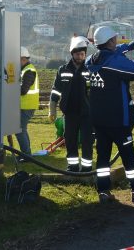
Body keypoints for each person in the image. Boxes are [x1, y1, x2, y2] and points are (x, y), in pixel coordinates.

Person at [85, 26, 134, 203]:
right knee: (128, 155)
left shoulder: (90, 61)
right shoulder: (114, 63)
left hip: (99, 120)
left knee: (102, 156)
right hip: (118, 119)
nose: (117, 41)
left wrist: (129, 46)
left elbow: (110, 54)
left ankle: (103, 191)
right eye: (115, 39)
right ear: (110, 41)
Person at [49, 36, 93, 172]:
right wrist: (52, 109)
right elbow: (56, 91)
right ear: (72, 54)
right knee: (70, 140)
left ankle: (87, 168)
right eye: (77, 54)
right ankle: (72, 166)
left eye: (82, 54)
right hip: (69, 112)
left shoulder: (90, 69)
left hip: (87, 113)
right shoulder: (63, 70)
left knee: (87, 141)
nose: (80, 57)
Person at [18, 46, 39, 159]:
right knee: (21, 129)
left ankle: (26, 155)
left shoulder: (29, 71)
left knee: (19, 129)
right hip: (25, 105)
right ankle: (26, 154)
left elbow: (23, 90)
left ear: (23, 59)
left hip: (27, 106)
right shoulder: (25, 70)